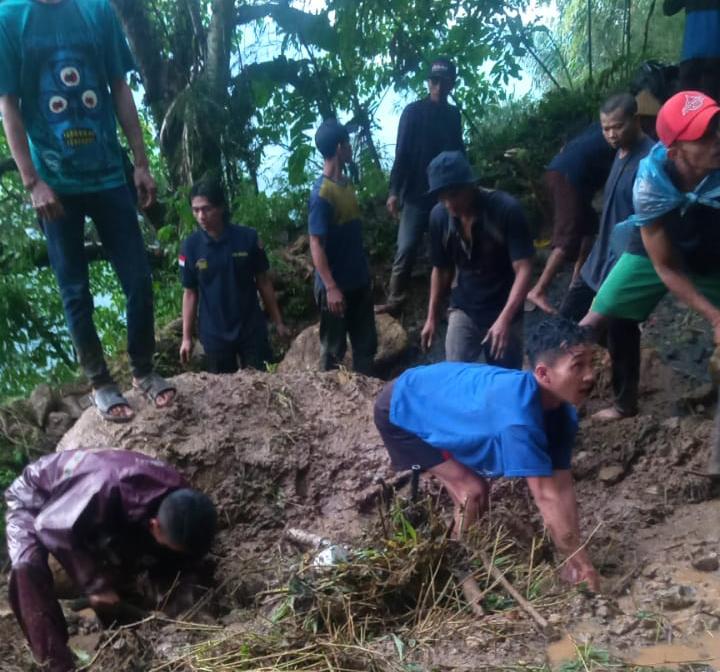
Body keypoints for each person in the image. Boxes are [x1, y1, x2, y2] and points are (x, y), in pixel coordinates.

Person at [0, 0, 175, 422]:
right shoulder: (9, 17)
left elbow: (119, 87)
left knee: (137, 278)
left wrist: (140, 162)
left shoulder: (97, 10)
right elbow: (9, 104)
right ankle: (99, 381)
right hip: (56, 182)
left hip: (109, 174)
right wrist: (32, 182)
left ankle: (144, 371)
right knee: (75, 290)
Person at [374, 317, 599, 591]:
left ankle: (464, 549)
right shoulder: (519, 420)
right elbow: (546, 496)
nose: (590, 375)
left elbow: (562, 487)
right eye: (578, 367)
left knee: (472, 492)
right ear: (542, 374)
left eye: (591, 363)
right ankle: (456, 564)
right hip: (401, 406)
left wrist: (574, 561)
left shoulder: (561, 413)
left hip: (437, 395)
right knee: (472, 491)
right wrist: (584, 564)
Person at [581, 91, 720, 472]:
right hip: (656, 250)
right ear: (675, 151)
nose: (717, 138)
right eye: (704, 135)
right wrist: (712, 316)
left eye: (716, 127)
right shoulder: (650, 182)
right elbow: (666, 267)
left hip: (714, 251)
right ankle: (562, 406)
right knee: (594, 322)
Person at [5, 449, 217, 672]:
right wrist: (95, 586)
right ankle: (56, 663)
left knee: (128, 556)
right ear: (154, 525)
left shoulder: (185, 500)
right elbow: (49, 525)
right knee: (27, 567)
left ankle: (126, 629)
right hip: (36, 496)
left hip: (93, 502)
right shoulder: (105, 490)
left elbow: (187, 552)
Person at [559, 93, 655, 421]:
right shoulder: (618, 152)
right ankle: (569, 394)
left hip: (629, 261)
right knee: (565, 321)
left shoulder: (652, 160)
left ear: (636, 120)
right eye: (605, 128)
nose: (611, 134)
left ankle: (624, 404)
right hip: (599, 259)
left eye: (617, 126)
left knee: (621, 333)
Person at [421, 151, 534, 368]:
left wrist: (505, 319)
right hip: (465, 306)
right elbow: (441, 269)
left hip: (503, 306)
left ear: (470, 186)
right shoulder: (439, 217)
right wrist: (432, 317)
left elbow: (524, 269)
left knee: (504, 378)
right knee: (455, 372)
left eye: (454, 194)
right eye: (441, 197)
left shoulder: (505, 210)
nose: (448, 204)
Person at [376, 57, 465, 314]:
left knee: (455, 244)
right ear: (429, 82)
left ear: (451, 85)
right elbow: (401, 154)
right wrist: (394, 192)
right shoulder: (413, 112)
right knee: (405, 248)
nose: (437, 86)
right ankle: (395, 299)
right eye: (434, 81)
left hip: (446, 194)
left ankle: (454, 299)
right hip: (415, 194)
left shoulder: (452, 115)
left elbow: (458, 152)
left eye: (443, 82)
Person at [179, 180, 288, 373]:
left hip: (250, 329)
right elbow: (190, 293)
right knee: (222, 395)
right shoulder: (190, 247)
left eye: (206, 209)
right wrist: (186, 338)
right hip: (214, 334)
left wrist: (278, 322)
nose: (201, 216)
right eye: (195, 210)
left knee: (262, 387)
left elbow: (263, 282)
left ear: (221, 207)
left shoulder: (247, 238)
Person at [308, 118, 377, 375]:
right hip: (336, 287)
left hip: (357, 280)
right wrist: (331, 287)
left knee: (366, 346)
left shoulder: (346, 185)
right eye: (347, 144)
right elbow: (316, 243)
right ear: (339, 147)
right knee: (333, 351)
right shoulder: (321, 194)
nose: (350, 148)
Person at [526, 123, 615, 314]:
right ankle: (539, 290)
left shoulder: (600, 128)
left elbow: (566, 147)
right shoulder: (618, 135)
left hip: (559, 171)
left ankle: (577, 282)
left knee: (589, 226)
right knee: (567, 237)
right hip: (568, 177)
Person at [664, 0, 720, 99]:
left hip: (691, 54)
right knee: (712, 106)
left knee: (687, 105)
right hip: (715, 52)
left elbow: (668, 8)